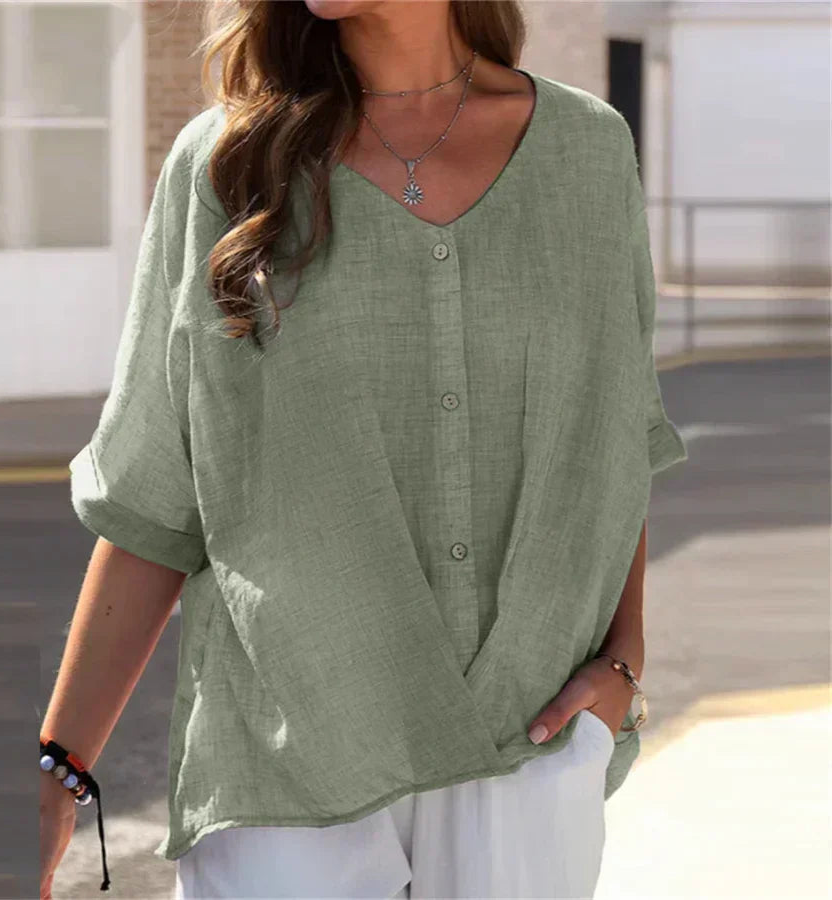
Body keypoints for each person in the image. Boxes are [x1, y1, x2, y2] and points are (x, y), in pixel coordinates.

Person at [39, 1, 688, 898]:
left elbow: (610, 436)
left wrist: (623, 663)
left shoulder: (586, 149)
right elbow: (155, 490)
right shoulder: (226, 164)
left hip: (525, 732)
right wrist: (61, 764)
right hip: (291, 750)